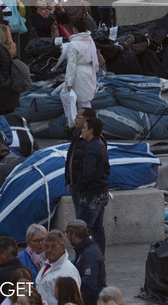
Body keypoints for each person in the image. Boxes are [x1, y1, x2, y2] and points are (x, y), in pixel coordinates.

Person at [67, 111, 112, 251]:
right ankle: (99, 256)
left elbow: (89, 172)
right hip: (99, 193)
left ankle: (86, 257)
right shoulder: (97, 144)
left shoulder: (92, 147)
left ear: (91, 130)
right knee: (97, 228)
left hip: (91, 195)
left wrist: (79, 186)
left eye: (85, 128)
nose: (82, 130)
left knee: (83, 229)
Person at [35, 230, 79, 305]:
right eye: (46, 246)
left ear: (62, 247)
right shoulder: (46, 264)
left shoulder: (68, 272)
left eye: (53, 246)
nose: (49, 250)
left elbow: (71, 302)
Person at [68, 220, 106, 305]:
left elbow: (89, 284)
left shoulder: (89, 253)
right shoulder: (84, 249)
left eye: (67, 234)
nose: (67, 237)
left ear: (73, 235)